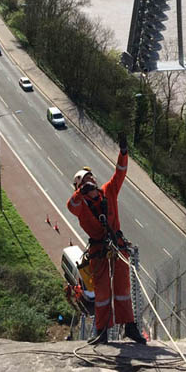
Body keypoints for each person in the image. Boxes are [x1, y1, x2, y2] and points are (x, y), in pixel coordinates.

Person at [67, 132, 146, 345]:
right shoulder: (81, 206)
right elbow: (71, 206)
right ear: (80, 187)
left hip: (117, 246)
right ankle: (102, 330)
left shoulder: (108, 192)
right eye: (86, 180)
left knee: (122, 290)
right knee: (102, 293)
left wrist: (123, 153)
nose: (91, 181)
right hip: (99, 251)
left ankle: (129, 326)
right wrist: (81, 193)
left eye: (91, 178)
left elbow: (120, 174)